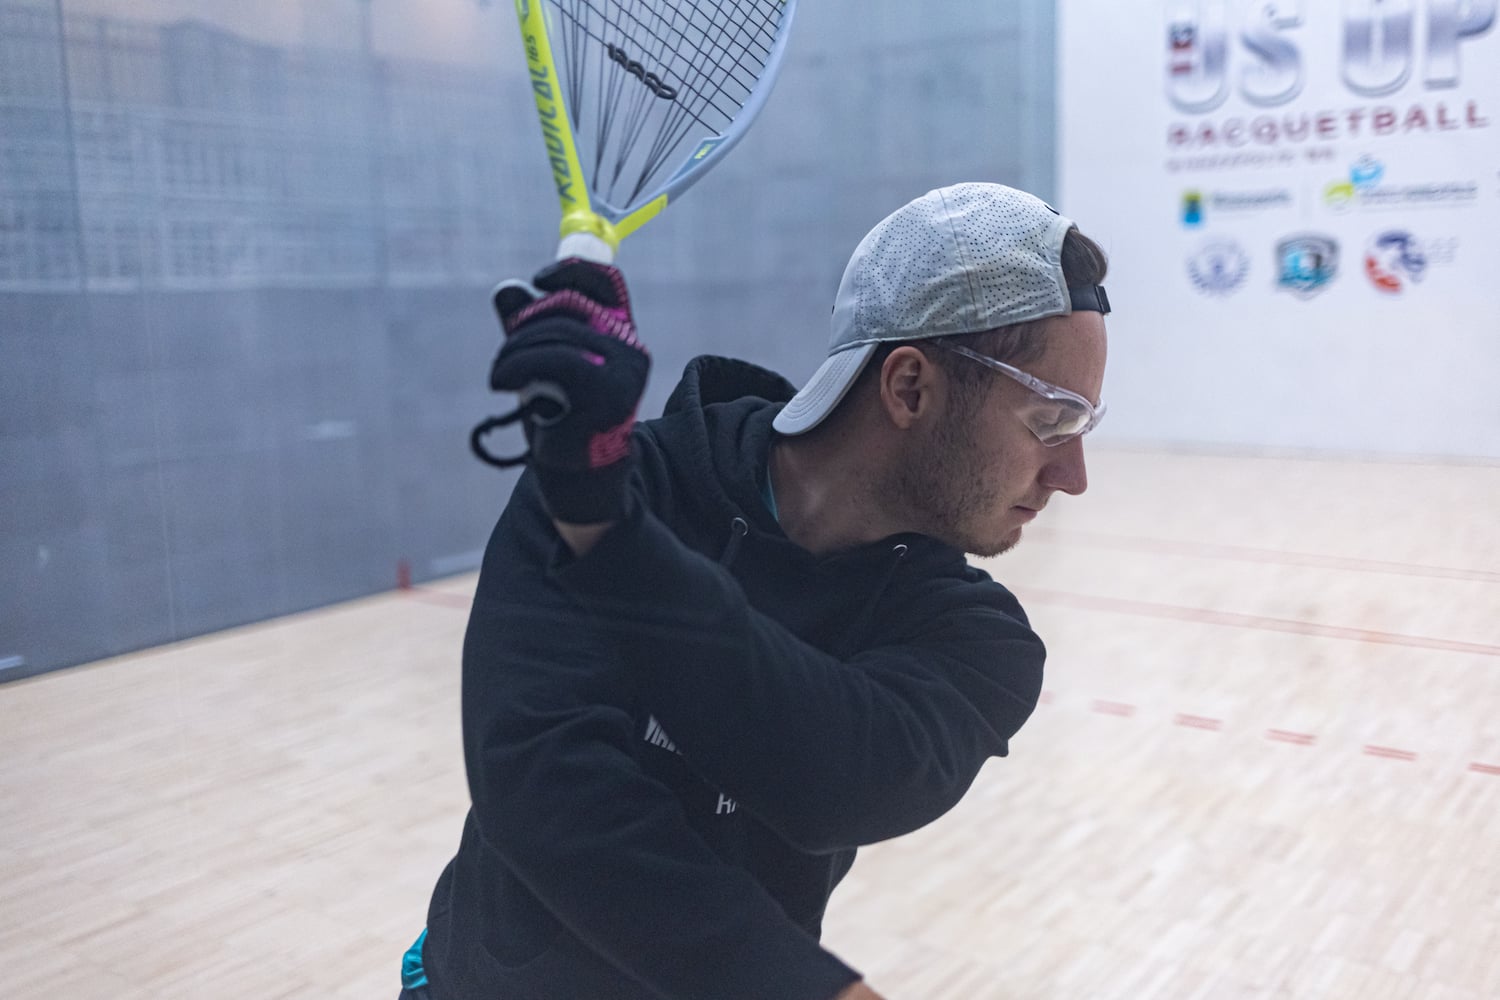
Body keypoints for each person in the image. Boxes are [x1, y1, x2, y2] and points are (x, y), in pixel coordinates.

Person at [399, 182, 1111, 1000]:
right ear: (910, 387)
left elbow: (835, 778)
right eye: (1052, 422)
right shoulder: (611, 483)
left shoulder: (979, 641)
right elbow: (543, 793)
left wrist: (608, 539)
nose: (1073, 475)